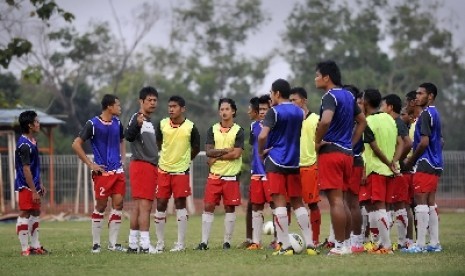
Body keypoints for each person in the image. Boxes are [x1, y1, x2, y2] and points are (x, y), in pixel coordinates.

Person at [258, 79, 318, 256]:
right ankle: (310, 244)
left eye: (271, 93)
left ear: (277, 94)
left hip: (276, 160)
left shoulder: (273, 112)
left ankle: (285, 246)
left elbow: (262, 136)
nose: (270, 96)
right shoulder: (299, 112)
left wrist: (261, 152)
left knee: (279, 202)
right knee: (298, 202)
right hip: (294, 160)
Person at [314, 60, 366, 255]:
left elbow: (325, 120)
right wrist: (351, 144)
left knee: (335, 201)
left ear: (326, 77)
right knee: (343, 201)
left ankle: (339, 246)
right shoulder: (348, 95)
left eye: (317, 75)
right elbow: (362, 121)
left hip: (332, 153)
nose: (315, 79)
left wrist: (317, 141)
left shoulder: (330, 96)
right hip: (347, 155)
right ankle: (347, 244)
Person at [72, 94, 126, 253]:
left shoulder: (117, 123)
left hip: (118, 172)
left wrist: (122, 159)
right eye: (118, 104)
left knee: (118, 204)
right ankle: (96, 244)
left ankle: (113, 244)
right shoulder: (93, 124)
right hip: (103, 174)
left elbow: (121, 140)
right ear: (110, 106)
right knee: (101, 206)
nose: (120, 107)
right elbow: (76, 144)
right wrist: (90, 164)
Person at [196, 98, 244, 250]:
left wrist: (217, 157)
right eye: (221, 109)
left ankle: (227, 242)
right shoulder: (212, 129)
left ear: (233, 111)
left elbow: (236, 154)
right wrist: (225, 150)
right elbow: (209, 151)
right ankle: (204, 242)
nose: (224, 112)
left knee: (230, 208)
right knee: (208, 206)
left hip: (231, 176)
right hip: (214, 176)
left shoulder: (239, 131)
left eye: (227, 109)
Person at [154, 95, 200, 252]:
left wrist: (186, 161)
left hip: (181, 172)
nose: (171, 109)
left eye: (174, 106)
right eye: (169, 106)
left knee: (180, 205)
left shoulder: (191, 127)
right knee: (160, 204)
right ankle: (160, 243)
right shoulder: (161, 124)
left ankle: (180, 244)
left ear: (182, 109)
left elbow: (195, 148)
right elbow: (158, 144)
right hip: (163, 170)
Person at [403, 83, 443, 253]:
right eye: (417, 93)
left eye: (421, 93)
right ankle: (434, 243)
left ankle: (419, 245)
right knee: (430, 202)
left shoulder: (426, 114)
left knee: (420, 202)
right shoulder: (436, 113)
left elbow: (424, 142)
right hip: (436, 163)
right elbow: (440, 141)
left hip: (425, 163)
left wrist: (411, 160)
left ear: (431, 96)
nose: (417, 96)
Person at [362, 89, 403, 254]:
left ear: (365, 103)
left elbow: (373, 147)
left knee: (379, 207)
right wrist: (394, 161)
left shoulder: (367, 122)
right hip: (389, 170)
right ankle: (382, 243)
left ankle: (386, 245)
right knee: (384, 207)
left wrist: (387, 162)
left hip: (377, 169)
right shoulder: (390, 119)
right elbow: (401, 142)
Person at [124, 87, 159, 254]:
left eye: (154, 100)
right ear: (141, 101)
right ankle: (145, 246)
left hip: (148, 166)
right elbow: (129, 136)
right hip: (142, 165)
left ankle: (133, 244)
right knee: (145, 207)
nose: (152, 103)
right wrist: (137, 125)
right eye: (149, 100)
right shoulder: (137, 118)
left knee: (138, 208)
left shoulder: (150, 122)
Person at [289, 87, 321, 247]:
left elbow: (321, 143)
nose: (292, 103)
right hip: (291, 167)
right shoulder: (290, 121)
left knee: (312, 203)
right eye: (290, 100)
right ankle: (283, 240)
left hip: (310, 165)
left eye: (295, 100)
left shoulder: (315, 119)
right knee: (287, 203)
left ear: (304, 100)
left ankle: (314, 240)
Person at [380, 94, 412, 249]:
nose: (381, 108)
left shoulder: (397, 122)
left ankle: (402, 241)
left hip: (394, 169)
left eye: (383, 105)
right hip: (390, 169)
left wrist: (397, 159)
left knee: (399, 205)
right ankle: (391, 241)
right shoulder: (391, 122)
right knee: (391, 205)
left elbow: (407, 143)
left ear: (390, 107)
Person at [15, 110, 48, 256]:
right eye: (36, 121)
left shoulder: (33, 142)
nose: (38, 123)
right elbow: (26, 169)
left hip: (34, 185)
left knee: (35, 212)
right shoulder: (24, 145)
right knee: (25, 213)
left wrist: (40, 183)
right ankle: (24, 249)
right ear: (29, 125)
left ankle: (35, 246)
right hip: (26, 185)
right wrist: (33, 190)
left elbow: (35, 167)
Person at [244, 96, 272, 250]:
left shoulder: (275, 126)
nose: (262, 112)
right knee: (256, 206)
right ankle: (256, 241)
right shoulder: (253, 126)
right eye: (260, 109)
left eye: (265, 109)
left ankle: (278, 240)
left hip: (270, 171)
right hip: (256, 172)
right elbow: (253, 148)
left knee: (275, 205)